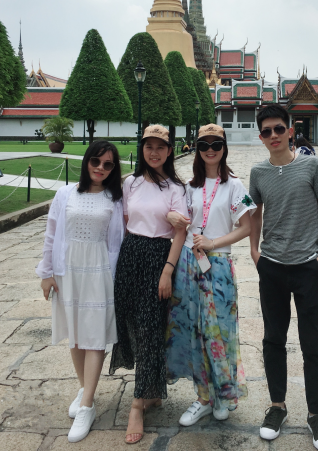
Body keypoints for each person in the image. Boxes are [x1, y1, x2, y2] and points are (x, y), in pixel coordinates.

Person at [249, 104, 318, 451]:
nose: (273, 136)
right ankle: (277, 406)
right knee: (273, 338)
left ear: (290, 130)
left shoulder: (312, 165)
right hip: (271, 265)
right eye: (266, 131)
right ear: (261, 137)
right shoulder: (257, 172)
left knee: (313, 341)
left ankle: (315, 414)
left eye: (278, 129)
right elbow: (252, 213)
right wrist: (254, 252)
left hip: (307, 266)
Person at [166, 123, 256, 426]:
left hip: (217, 265)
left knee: (220, 331)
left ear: (224, 148)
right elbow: (178, 225)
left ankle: (223, 394)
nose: (210, 150)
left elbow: (246, 227)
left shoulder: (235, 186)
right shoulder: (187, 187)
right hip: (189, 265)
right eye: (204, 145)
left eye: (216, 145)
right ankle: (203, 396)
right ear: (197, 149)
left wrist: (214, 242)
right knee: (194, 331)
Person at [36, 141, 125, 443]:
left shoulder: (114, 200)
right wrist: (47, 272)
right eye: (96, 161)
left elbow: (116, 243)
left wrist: (113, 279)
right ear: (87, 161)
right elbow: (52, 232)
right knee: (75, 333)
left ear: (113, 169)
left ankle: (87, 405)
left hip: (98, 271)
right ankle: (84, 388)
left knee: (95, 336)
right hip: (67, 269)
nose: (100, 168)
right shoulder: (65, 194)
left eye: (108, 164)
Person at [109, 125, 188, 444]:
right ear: (142, 149)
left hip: (159, 258)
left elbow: (180, 231)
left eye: (161, 147)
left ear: (170, 151)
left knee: (151, 328)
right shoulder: (131, 183)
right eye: (148, 146)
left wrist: (168, 270)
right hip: (131, 257)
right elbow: (124, 224)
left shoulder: (175, 187)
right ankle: (152, 390)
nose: (154, 152)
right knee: (131, 325)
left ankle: (137, 404)